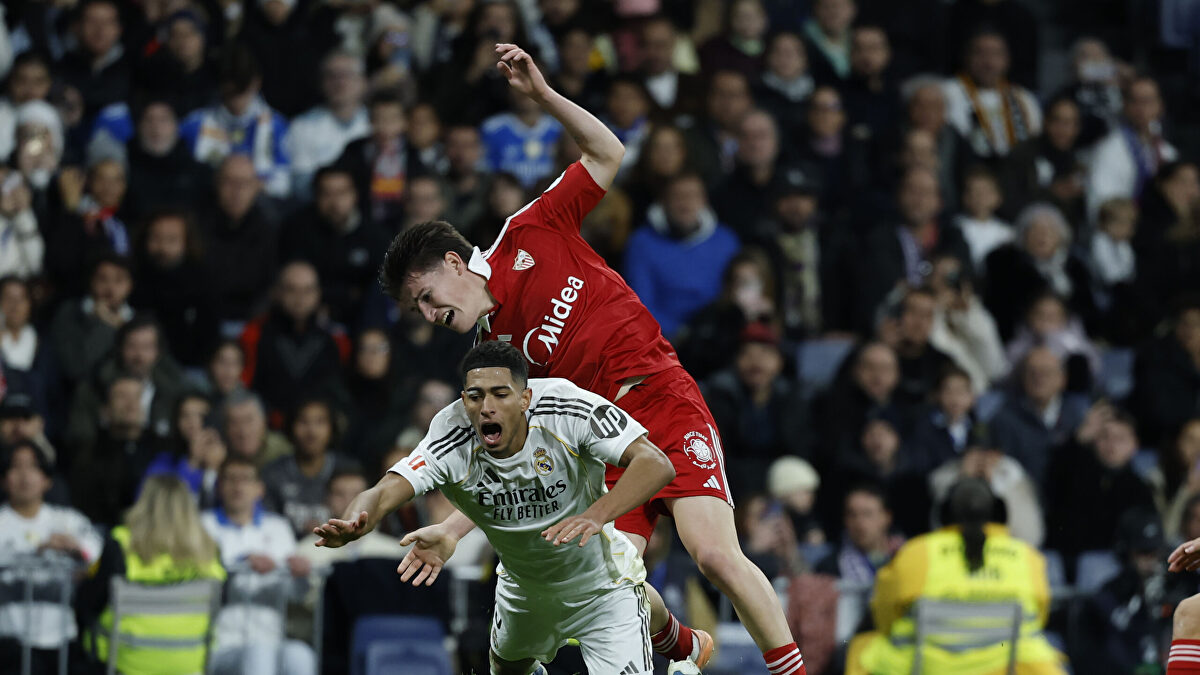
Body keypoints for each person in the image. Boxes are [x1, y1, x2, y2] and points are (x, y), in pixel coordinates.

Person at [378, 43, 806, 673]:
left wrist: (542, 95)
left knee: (714, 555)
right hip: (607, 451)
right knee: (610, 580)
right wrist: (450, 531)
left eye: (425, 297)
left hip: (661, 397)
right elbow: (498, 469)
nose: (427, 315)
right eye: (416, 310)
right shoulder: (492, 361)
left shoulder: (531, 231)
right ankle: (682, 644)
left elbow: (608, 152)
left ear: (450, 262)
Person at [313, 341, 677, 673]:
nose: (486, 407)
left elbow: (656, 464)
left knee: (636, 588)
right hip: (524, 592)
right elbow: (384, 491)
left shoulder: (566, 406)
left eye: (500, 394)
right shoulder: (450, 434)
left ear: (525, 398)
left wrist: (595, 515)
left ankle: (680, 642)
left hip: (601, 590)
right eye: (475, 396)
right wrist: (356, 521)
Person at [846, 478, 1065, 674]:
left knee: (860, 646)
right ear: (996, 513)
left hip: (926, 667)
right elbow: (1039, 616)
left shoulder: (917, 553)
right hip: (1007, 667)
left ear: (943, 513)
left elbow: (884, 616)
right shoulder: (1026, 556)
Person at [76, 475, 226, 674]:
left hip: (125, 662)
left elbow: (89, 603)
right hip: (189, 663)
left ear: (143, 503)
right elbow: (223, 603)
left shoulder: (121, 544)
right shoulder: (209, 549)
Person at [0, 442, 102, 670]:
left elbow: (94, 551)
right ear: (4, 479)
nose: (25, 475)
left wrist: (74, 549)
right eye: (16, 467)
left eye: (34, 467)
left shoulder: (67, 520)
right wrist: (35, 554)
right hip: (9, 641)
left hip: (61, 640)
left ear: (47, 480)